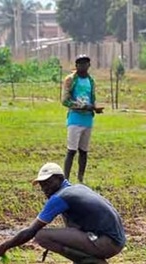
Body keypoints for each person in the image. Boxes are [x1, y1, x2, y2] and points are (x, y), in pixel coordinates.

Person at [0, 163, 125, 264]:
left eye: (48, 183)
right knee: (69, 222)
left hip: (107, 243)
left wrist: (4, 247)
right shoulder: (77, 188)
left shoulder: (60, 197)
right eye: (42, 185)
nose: (45, 188)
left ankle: (93, 263)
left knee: (42, 236)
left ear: (60, 178)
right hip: (114, 241)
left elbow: (30, 231)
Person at [60, 54, 102, 183]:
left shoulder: (91, 81)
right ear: (76, 65)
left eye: (86, 63)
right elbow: (65, 101)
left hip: (87, 120)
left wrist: (95, 108)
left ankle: (80, 179)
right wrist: (82, 106)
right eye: (80, 63)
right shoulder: (71, 79)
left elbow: (92, 99)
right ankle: (66, 179)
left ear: (89, 65)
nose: (83, 66)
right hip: (75, 119)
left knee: (84, 151)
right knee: (71, 150)